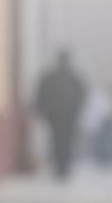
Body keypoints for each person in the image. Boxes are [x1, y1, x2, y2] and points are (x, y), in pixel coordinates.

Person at [35, 50, 87, 179]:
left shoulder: (72, 79)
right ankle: (60, 167)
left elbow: (82, 96)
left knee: (63, 142)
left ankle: (63, 167)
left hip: (65, 117)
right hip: (58, 117)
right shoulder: (68, 78)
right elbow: (41, 96)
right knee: (60, 141)